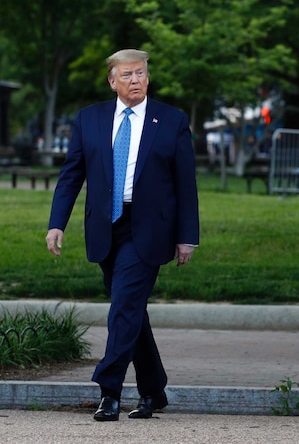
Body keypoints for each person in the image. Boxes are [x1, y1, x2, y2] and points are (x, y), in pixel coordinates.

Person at [45, 49, 200, 422]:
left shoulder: (172, 120)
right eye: (128, 75)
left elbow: (185, 184)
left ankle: (108, 389)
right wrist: (57, 223)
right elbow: (72, 175)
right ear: (112, 81)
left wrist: (187, 236)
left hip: (149, 229)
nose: (136, 80)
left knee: (124, 308)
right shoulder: (89, 119)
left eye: (141, 74)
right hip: (105, 227)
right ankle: (153, 390)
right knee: (131, 312)